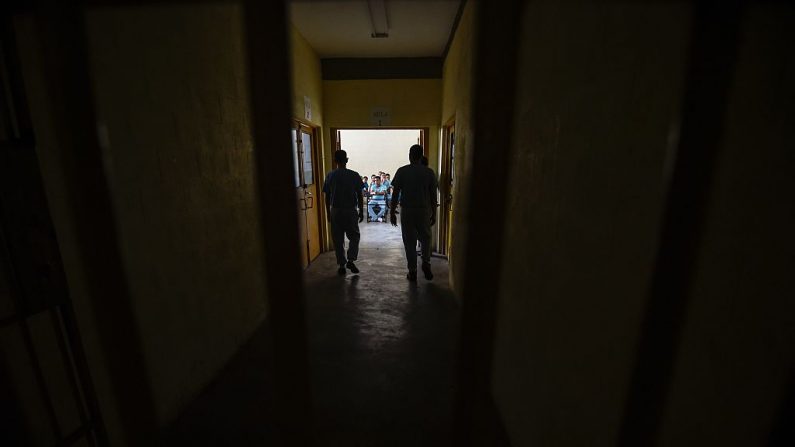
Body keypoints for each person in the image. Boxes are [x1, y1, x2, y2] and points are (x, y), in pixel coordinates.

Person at [390, 145, 438, 281]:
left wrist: (392, 212)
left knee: (409, 242)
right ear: (421, 156)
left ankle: (412, 271)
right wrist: (434, 213)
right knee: (426, 238)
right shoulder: (429, 172)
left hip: (407, 211)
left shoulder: (402, 171)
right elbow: (433, 196)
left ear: (409, 155)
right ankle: (426, 263)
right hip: (423, 210)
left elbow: (395, 193)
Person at [323, 150, 364, 276]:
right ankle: (350, 260)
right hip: (350, 210)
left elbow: (327, 196)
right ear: (347, 160)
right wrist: (361, 211)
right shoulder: (354, 175)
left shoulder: (330, 175)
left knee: (338, 238)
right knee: (354, 237)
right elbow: (359, 195)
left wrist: (328, 213)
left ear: (335, 161)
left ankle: (342, 264)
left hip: (335, 210)